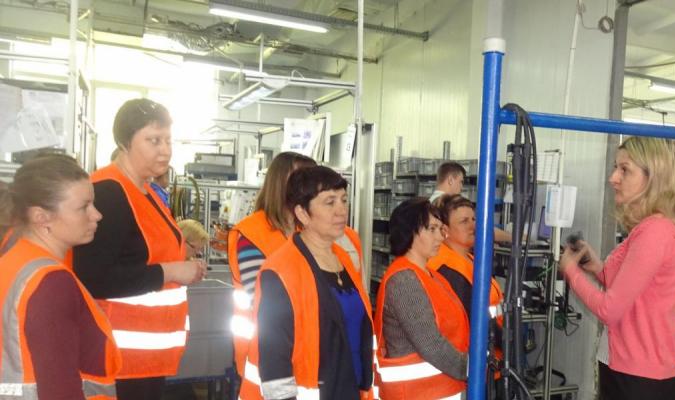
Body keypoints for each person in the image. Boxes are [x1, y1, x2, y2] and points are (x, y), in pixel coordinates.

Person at [73, 98, 206, 400]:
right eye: (153, 140)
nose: (165, 150)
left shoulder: (146, 192)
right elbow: (93, 278)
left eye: (168, 140)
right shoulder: (108, 192)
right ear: (124, 142)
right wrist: (171, 272)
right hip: (118, 358)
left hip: (144, 359)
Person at [558, 137, 675, 400]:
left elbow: (610, 309)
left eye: (625, 170)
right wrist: (597, 268)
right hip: (636, 372)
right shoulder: (656, 227)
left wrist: (571, 271)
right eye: (615, 168)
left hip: (639, 380)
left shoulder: (656, 231)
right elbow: (636, 292)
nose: (613, 178)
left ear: (653, 177)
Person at [239, 166, 374, 400]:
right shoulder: (280, 270)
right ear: (302, 213)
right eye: (329, 202)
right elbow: (274, 358)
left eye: (343, 200)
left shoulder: (343, 259)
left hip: (350, 388)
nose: (341, 210)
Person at [0, 154, 122, 399]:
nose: (96, 215)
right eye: (83, 207)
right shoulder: (51, 283)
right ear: (41, 217)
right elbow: (58, 387)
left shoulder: (14, 257)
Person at [375, 197, 469, 400]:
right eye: (431, 229)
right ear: (410, 232)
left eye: (440, 229)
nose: (440, 237)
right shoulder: (404, 281)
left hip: (440, 390)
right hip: (417, 393)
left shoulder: (430, 275)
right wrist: (470, 369)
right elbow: (431, 345)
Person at [428, 194, 504, 322]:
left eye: (473, 219)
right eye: (464, 221)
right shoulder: (445, 268)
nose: (473, 226)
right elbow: (471, 315)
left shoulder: (469, 258)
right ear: (445, 230)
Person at [430, 162, 512, 243]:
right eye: (461, 182)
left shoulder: (431, 201)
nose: (461, 187)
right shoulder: (447, 204)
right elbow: (481, 231)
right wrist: (512, 237)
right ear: (450, 180)